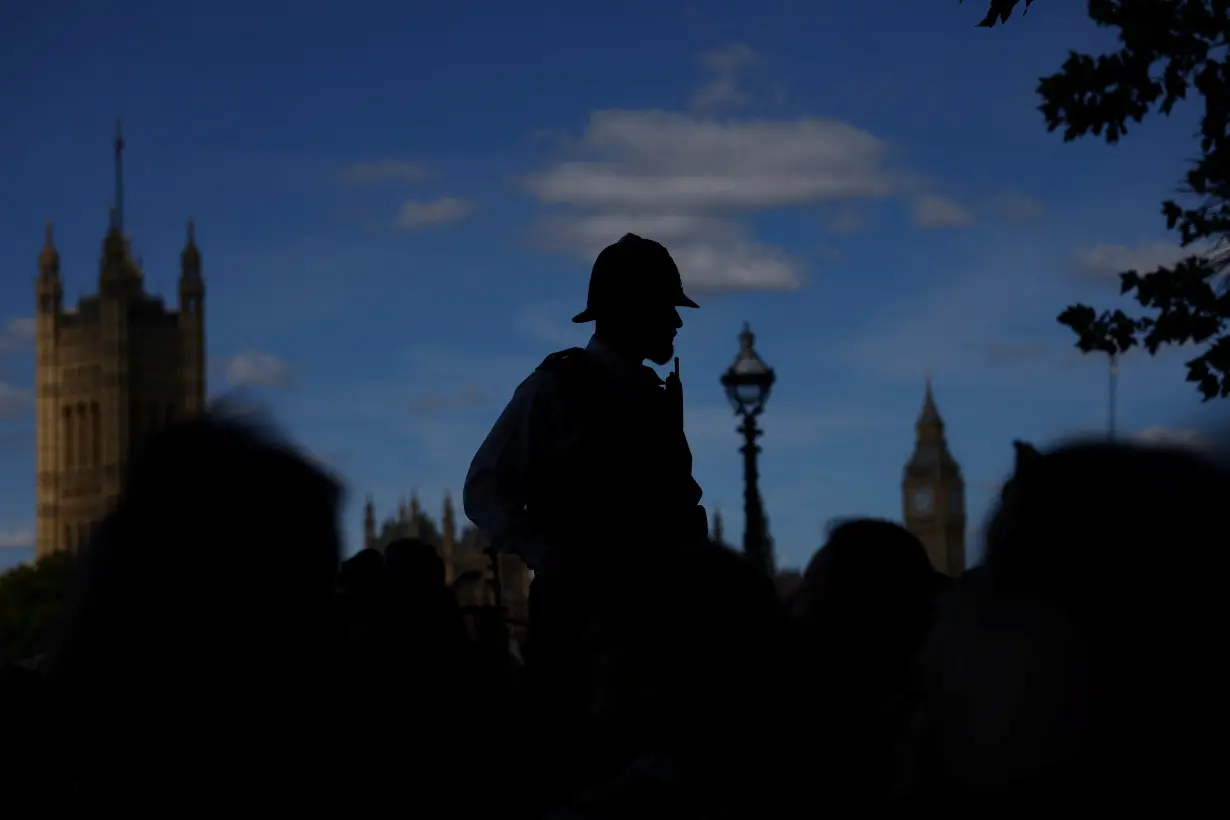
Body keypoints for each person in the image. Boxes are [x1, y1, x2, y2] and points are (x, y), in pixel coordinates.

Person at [463, 233, 710, 804]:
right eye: (665, 308)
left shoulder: (653, 396)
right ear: (628, 313)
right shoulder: (557, 385)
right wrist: (551, 558)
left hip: (654, 618)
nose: (676, 323)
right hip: (581, 613)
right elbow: (485, 485)